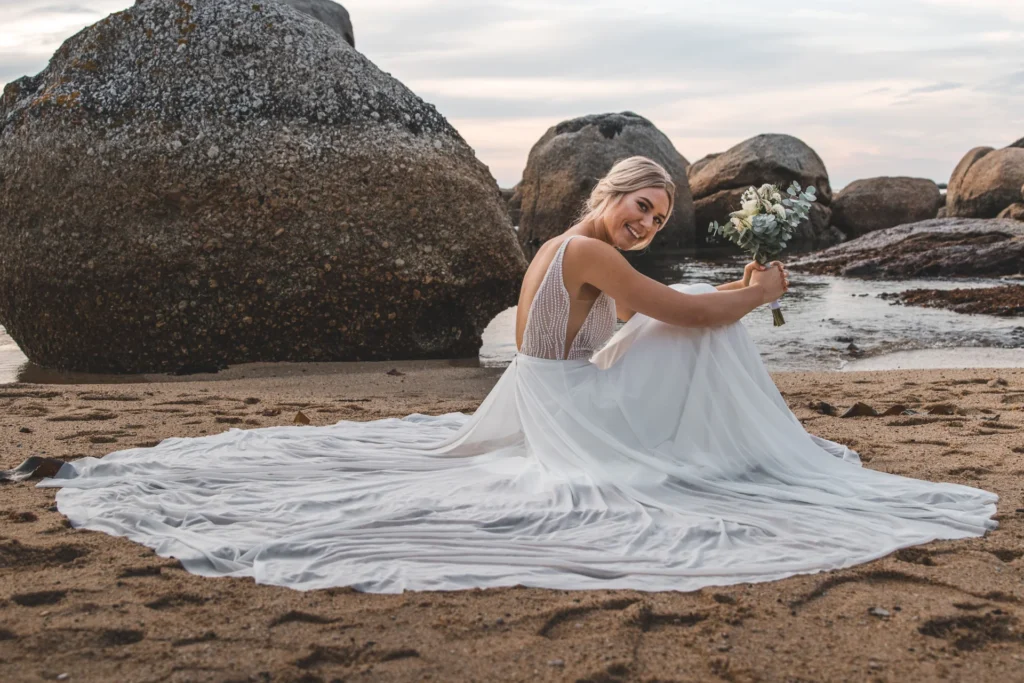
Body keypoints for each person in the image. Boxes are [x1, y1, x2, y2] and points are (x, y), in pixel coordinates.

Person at [40, 157, 997, 594]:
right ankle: (745, 450)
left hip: (556, 397)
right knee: (717, 330)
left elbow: (631, 323)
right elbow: (683, 315)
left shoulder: (566, 247)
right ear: (605, 198)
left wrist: (732, 294)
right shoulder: (590, 249)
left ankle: (735, 442)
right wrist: (756, 295)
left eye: (660, 216)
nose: (647, 222)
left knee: (713, 325)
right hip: (570, 416)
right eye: (638, 206)